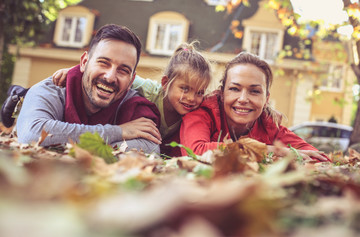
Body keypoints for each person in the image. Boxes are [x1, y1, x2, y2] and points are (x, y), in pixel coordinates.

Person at [15, 24, 162, 154]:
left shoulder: (134, 104)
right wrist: (119, 132)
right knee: (21, 103)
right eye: (103, 63)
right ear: (84, 62)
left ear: (131, 80)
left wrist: (70, 144)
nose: (110, 77)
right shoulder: (52, 89)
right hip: (28, 104)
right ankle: (16, 96)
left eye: (123, 70)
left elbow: (150, 148)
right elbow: (32, 133)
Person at [51, 42, 212, 157]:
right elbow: (113, 77)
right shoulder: (148, 90)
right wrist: (73, 72)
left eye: (199, 92)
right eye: (185, 89)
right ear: (165, 83)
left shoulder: (197, 112)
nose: (191, 98)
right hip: (119, 133)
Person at [180, 52, 330, 162]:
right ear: (222, 93)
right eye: (234, 89)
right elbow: (194, 152)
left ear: (266, 100)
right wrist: (267, 150)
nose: (243, 99)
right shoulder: (203, 113)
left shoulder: (269, 125)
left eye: (255, 91)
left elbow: (319, 158)